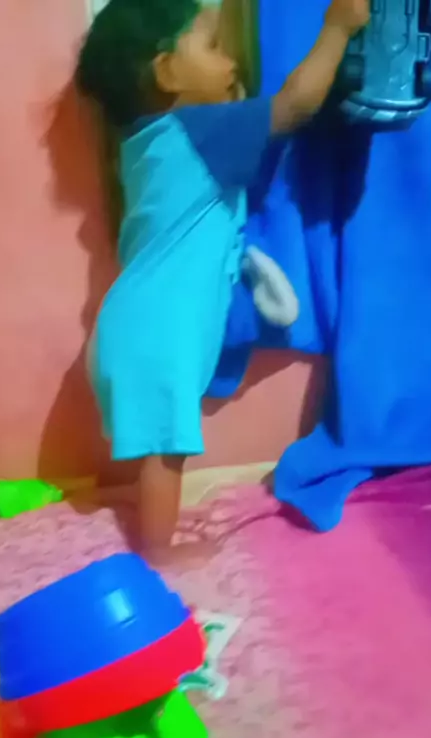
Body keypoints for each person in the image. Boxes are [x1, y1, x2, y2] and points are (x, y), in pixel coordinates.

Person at [76, 0, 369, 563]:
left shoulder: (144, 143)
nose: (231, 61)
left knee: (160, 443)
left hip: (134, 323)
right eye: (212, 48)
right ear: (167, 73)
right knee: (167, 447)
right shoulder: (200, 133)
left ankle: (153, 520)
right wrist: (337, 28)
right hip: (152, 332)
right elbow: (295, 104)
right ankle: (157, 553)